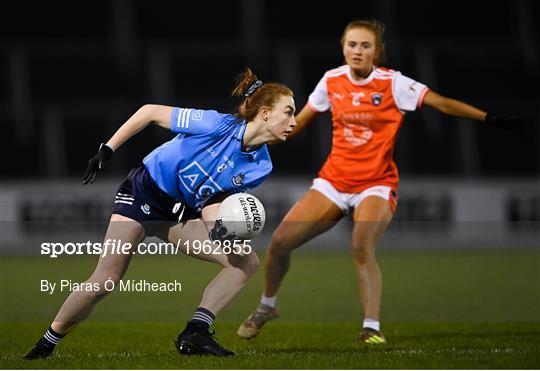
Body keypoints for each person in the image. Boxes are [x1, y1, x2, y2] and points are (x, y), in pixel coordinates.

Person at [237, 20, 520, 344]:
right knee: (280, 242)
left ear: (377, 51)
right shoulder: (332, 81)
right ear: (343, 48)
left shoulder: (393, 84)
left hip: (376, 183)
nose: (357, 51)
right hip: (333, 182)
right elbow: (297, 124)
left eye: (365, 45)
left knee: (360, 244)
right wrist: (255, 136)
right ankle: (267, 306)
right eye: (352, 45)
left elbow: (440, 103)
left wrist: (488, 118)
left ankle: (371, 327)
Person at [24, 68, 296, 359]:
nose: (293, 122)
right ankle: (45, 346)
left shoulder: (261, 166)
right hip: (143, 192)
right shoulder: (217, 125)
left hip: (179, 213)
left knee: (246, 261)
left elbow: (212, 201)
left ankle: (196, 332)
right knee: (106, 280)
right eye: (288, 112)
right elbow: (149, 111)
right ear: (265, 113)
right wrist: (108, 148)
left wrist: (220, 231)